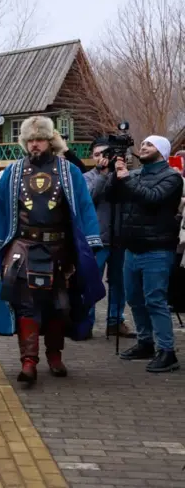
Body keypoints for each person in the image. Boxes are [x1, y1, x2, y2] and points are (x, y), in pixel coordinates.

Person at [0, 116, 104, 384]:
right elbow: (1, 209)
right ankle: (28, 362)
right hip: (24, 246)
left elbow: (84, 206)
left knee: (59, 305)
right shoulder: (13, 172)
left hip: (59, 248)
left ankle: (55, 356)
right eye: (30, 140)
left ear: (50, 140)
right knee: (26, 305)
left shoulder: (68, 171)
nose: (34, 145)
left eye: (39, 139)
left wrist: (91, 242)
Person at [107, 135, 182, 372]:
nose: (143, 146)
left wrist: (125, 177)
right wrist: (112, 173)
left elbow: (152, 198)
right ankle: (145, 342)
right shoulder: (135, 174)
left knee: (155, 300)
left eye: (149, 144)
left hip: (157, 249)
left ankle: (167, 351)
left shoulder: (171, 177)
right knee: (135, 299)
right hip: (132, 248)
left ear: (161, 151)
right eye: (143, 143)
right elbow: (112, 196)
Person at [82, 138, 134, 337]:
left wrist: (121, 175)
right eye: (96, 155)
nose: (101, 158)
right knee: (90, 281)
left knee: (119, 282)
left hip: (120, 236)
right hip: (96, 239)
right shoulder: (87, 177)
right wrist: (103, 176)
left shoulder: (122, 176)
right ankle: (86, 322)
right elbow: (88, 198)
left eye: (105, 154)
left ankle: (116, 321)